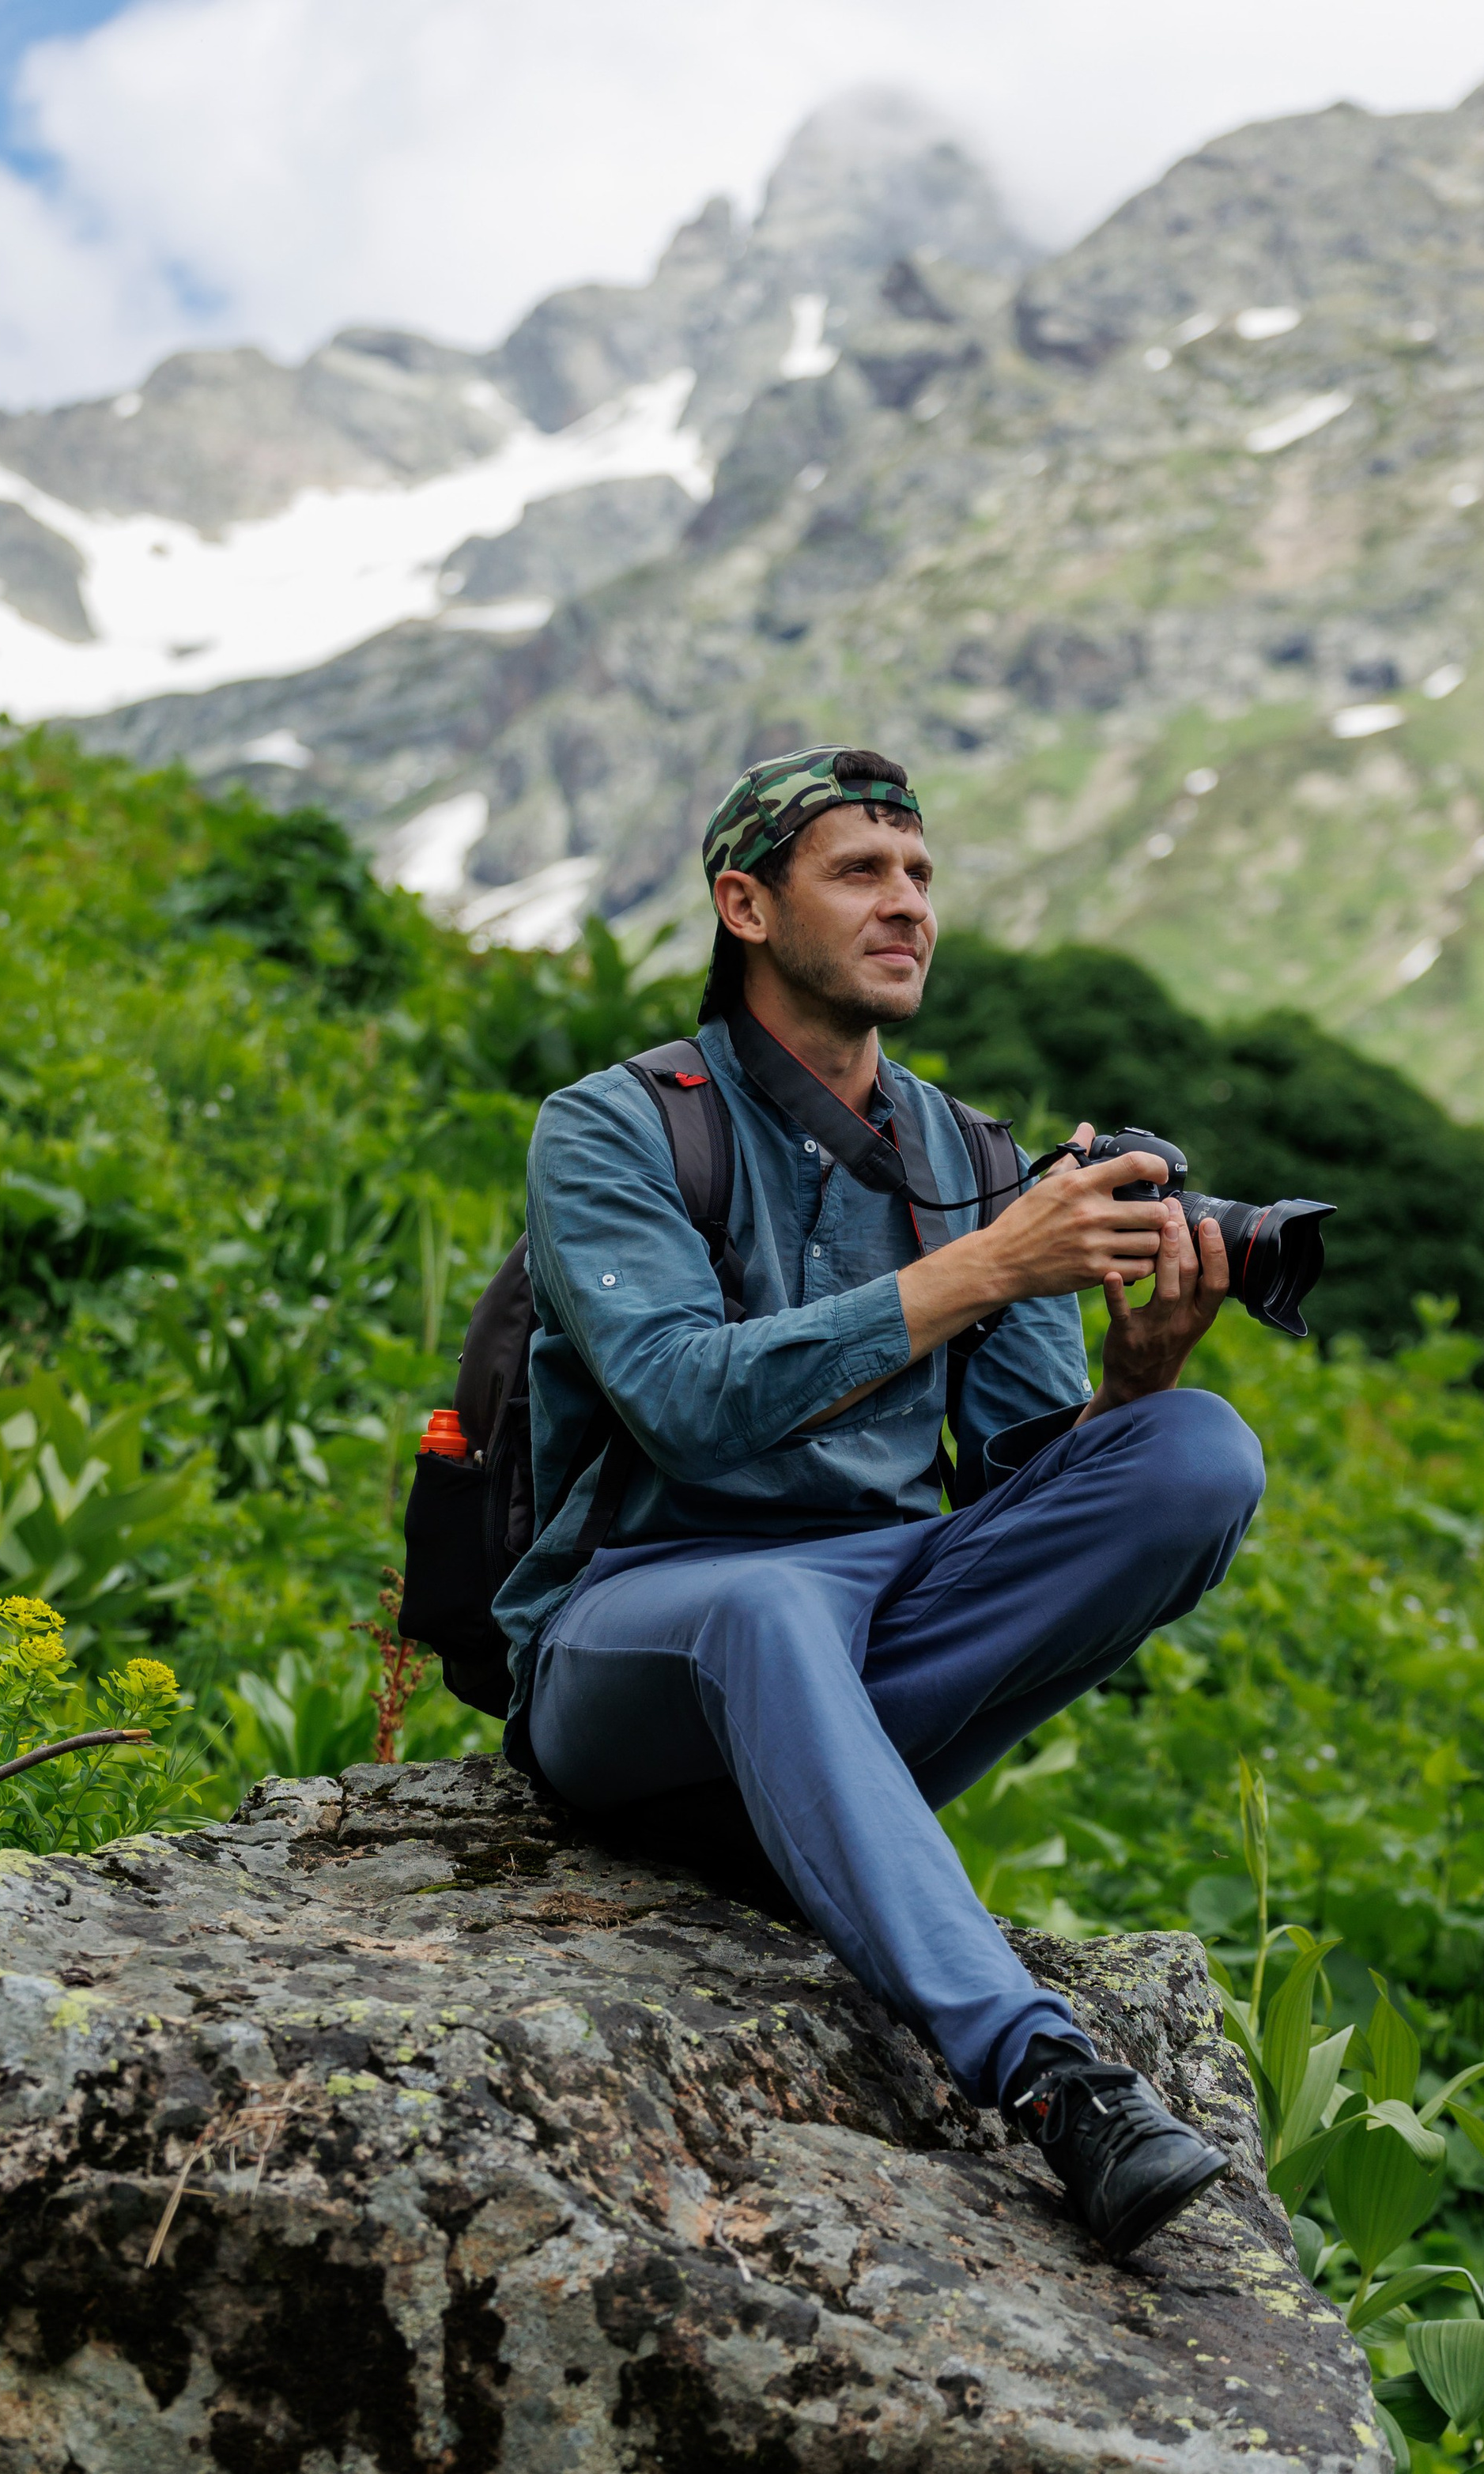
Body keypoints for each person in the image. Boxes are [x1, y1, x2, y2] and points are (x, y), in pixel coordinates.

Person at [496, 746, 1264, 2259]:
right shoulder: (618, 1127)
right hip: (630, 1646)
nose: (906, 904)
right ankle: (1044, 2078)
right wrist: (984, 1266)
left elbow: (1031, 1490)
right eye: (859, 872)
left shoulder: (973, 1157)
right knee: (766, 1601)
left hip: (871, 1636)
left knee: (1197, 1457)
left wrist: (1139, 1377)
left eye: (920, 875)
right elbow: (683, 1407)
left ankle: (821, 1812)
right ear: (746, 905)